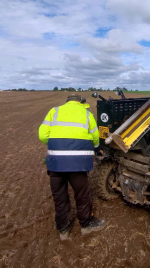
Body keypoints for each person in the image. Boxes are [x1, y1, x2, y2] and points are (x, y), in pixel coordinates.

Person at [38, 94, 106, 240]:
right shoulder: (86, 114)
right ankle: (86, 224)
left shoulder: (54, 111)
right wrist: (96, 148)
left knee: (60, 197)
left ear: (67, 102)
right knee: (82, 195)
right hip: (78, 163)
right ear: (80, 102)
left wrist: (59, 144)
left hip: (56, 163)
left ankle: (63, 229)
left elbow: (43, 135)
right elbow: (95, 136)